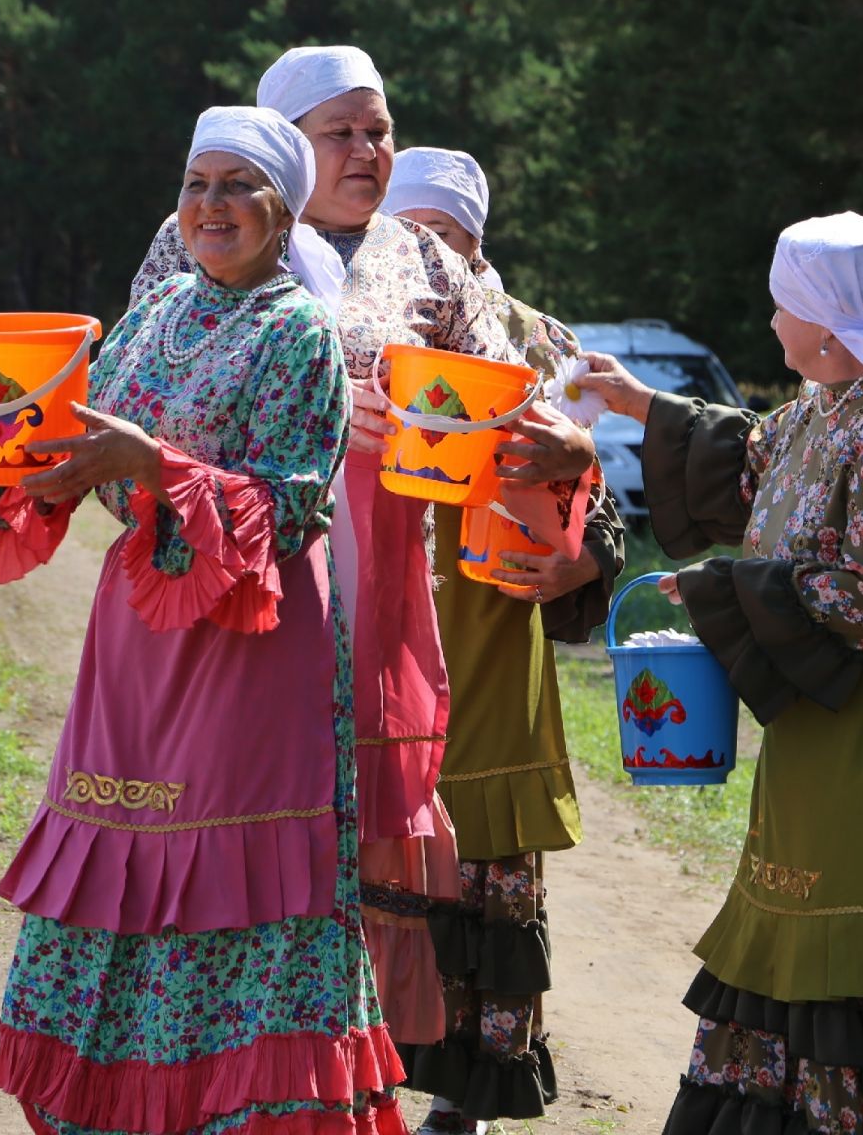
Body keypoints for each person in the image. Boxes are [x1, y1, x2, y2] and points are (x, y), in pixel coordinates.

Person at [0, 107, 403, 1134]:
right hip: (136, 646)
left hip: (252, 647)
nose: (212, 206)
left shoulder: (302, 332)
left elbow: (290, 506)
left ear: (284, 211)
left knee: (229, 881)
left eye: (240, 186)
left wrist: (151, 465)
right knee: (112, 857)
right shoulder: (153, 317)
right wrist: (10, 453)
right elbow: (80, 442)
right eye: (198, 184)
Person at [126, 47, 598, 1055]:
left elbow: (506, 386)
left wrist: (560, 438)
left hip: (384, 590)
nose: (366, 150)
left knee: (366, 849)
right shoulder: (201, 240)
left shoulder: (422, 258)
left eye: (379, 129)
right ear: (283, 143)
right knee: (246, 830)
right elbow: (145, 399)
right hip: (249, 582)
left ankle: (335, 1075)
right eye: (339, 130)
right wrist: (323, 418)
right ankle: (225, 1063)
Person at [580, 213, 863, 1135]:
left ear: (822, 323)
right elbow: (749, 462)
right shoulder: (815, 414)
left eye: (781, 303)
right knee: (805, 896)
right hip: (830, 727)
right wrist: (639, 405)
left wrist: (722, 589)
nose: (773, 319)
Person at [381, 146, 626, 1132]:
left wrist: (585, 561)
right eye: (411, 239)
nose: (429, 260)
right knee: (373, 880)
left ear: (478, 245)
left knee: (485, 882)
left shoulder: (537, 342)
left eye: (446, 239)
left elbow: (593, 503)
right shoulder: (354, 324)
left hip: (491, 637)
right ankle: (360, 1082)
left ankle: (466, 1096)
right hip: (384, 630)